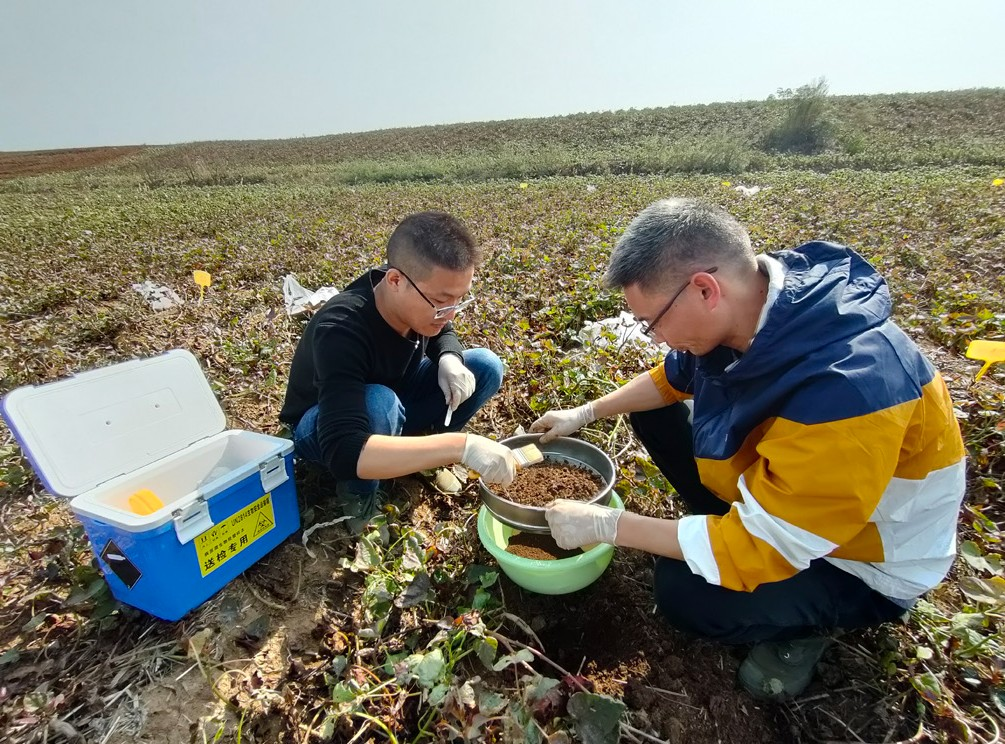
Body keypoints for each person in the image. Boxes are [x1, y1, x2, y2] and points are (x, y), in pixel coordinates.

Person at [531, 198, 966, 701]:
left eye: (653, 322)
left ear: (704, 289)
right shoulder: (756, 311)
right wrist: (584, 413)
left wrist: (607, 525)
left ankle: (807, 628)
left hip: (857, 560)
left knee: (683, 591)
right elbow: (671, 379)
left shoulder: (849, 386)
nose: (657, 338)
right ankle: (717, 527)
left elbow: (769, 544)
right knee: (652, 412)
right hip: (793, 499)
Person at [281, 211, 518, 530]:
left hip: (394, 396)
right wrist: (461, 447)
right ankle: (359, 493)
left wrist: (449, 357)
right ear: (395, 281)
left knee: (484, 366)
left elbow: (442, 329)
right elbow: (345, 449)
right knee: (380, 404)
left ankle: (419, 455)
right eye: (442, 301)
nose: (450, 314)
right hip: (328, 429)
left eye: (459, 300)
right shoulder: (340, 329)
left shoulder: (412, 294)